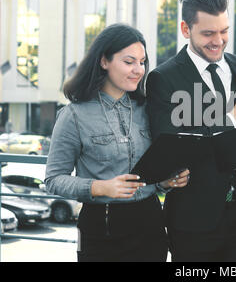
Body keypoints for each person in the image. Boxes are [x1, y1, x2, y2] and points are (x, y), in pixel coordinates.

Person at [45, 23, 189, 262]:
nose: (138, 70)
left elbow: (152, 172)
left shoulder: (148, 109)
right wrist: (100, 187)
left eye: (142, 62)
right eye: (129, 61)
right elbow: (53, 180)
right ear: (104, 61)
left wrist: (164, 182)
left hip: (150, 225)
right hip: (100, 228)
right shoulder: (74, 115)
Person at [146, 0, 236, 262]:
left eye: (224, 31)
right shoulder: (162, 79)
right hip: (193, 223)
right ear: (186, 30)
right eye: (209, 33)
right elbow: (172, 147)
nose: (219, 40)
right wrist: (230, 120)